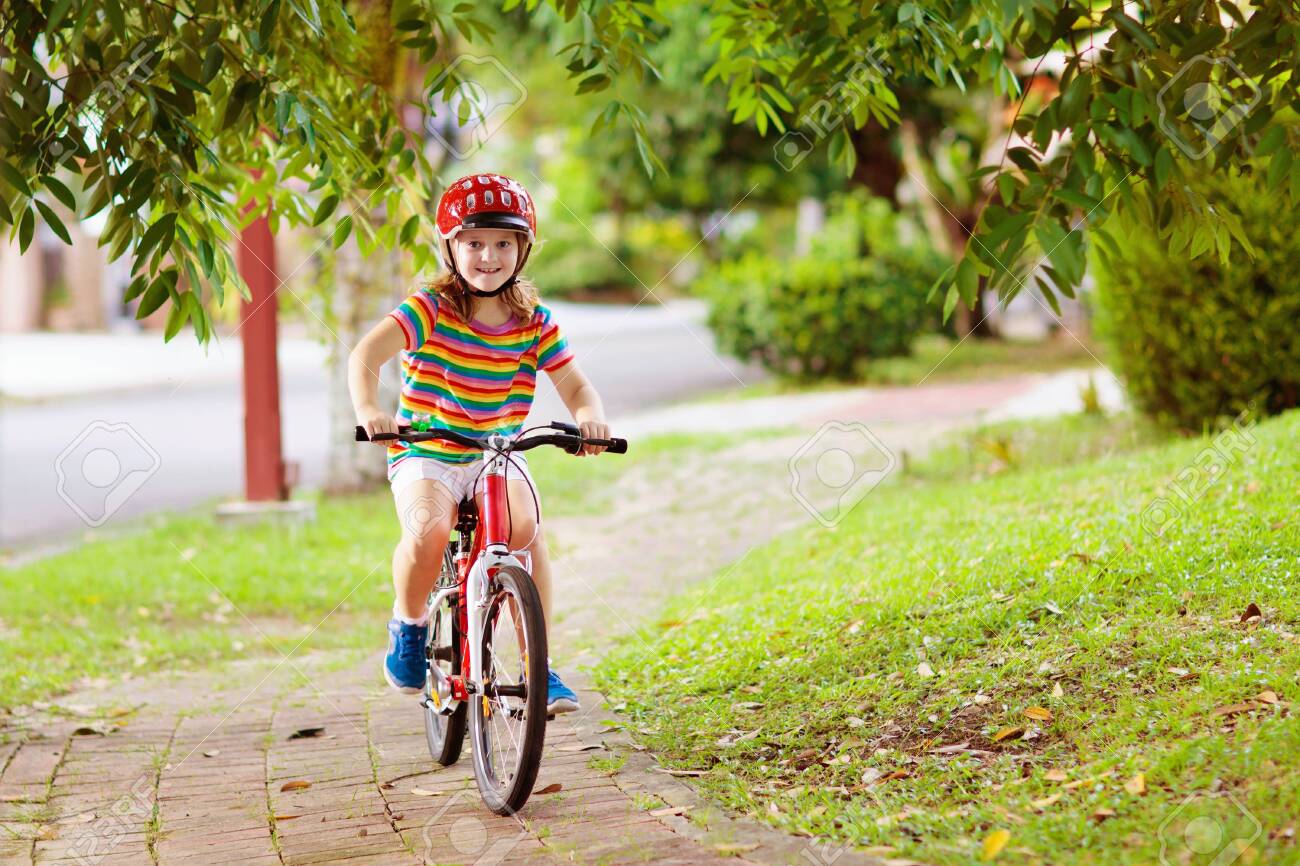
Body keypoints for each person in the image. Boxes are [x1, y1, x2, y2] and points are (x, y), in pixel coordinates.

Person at [348, 172, 611, 715]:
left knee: (525, 529)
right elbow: (365, 357)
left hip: (497, 451)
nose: (487, 256)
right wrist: (371, 411)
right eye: (473, 243)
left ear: (522, 249)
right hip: (427, 449)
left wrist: (589, 418)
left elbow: (574, 385)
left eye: (502, 243)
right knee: (430, 529)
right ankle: (410, 623)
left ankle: (539, 665)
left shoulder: (535, 322)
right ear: (451, 247)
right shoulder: (431, 309)